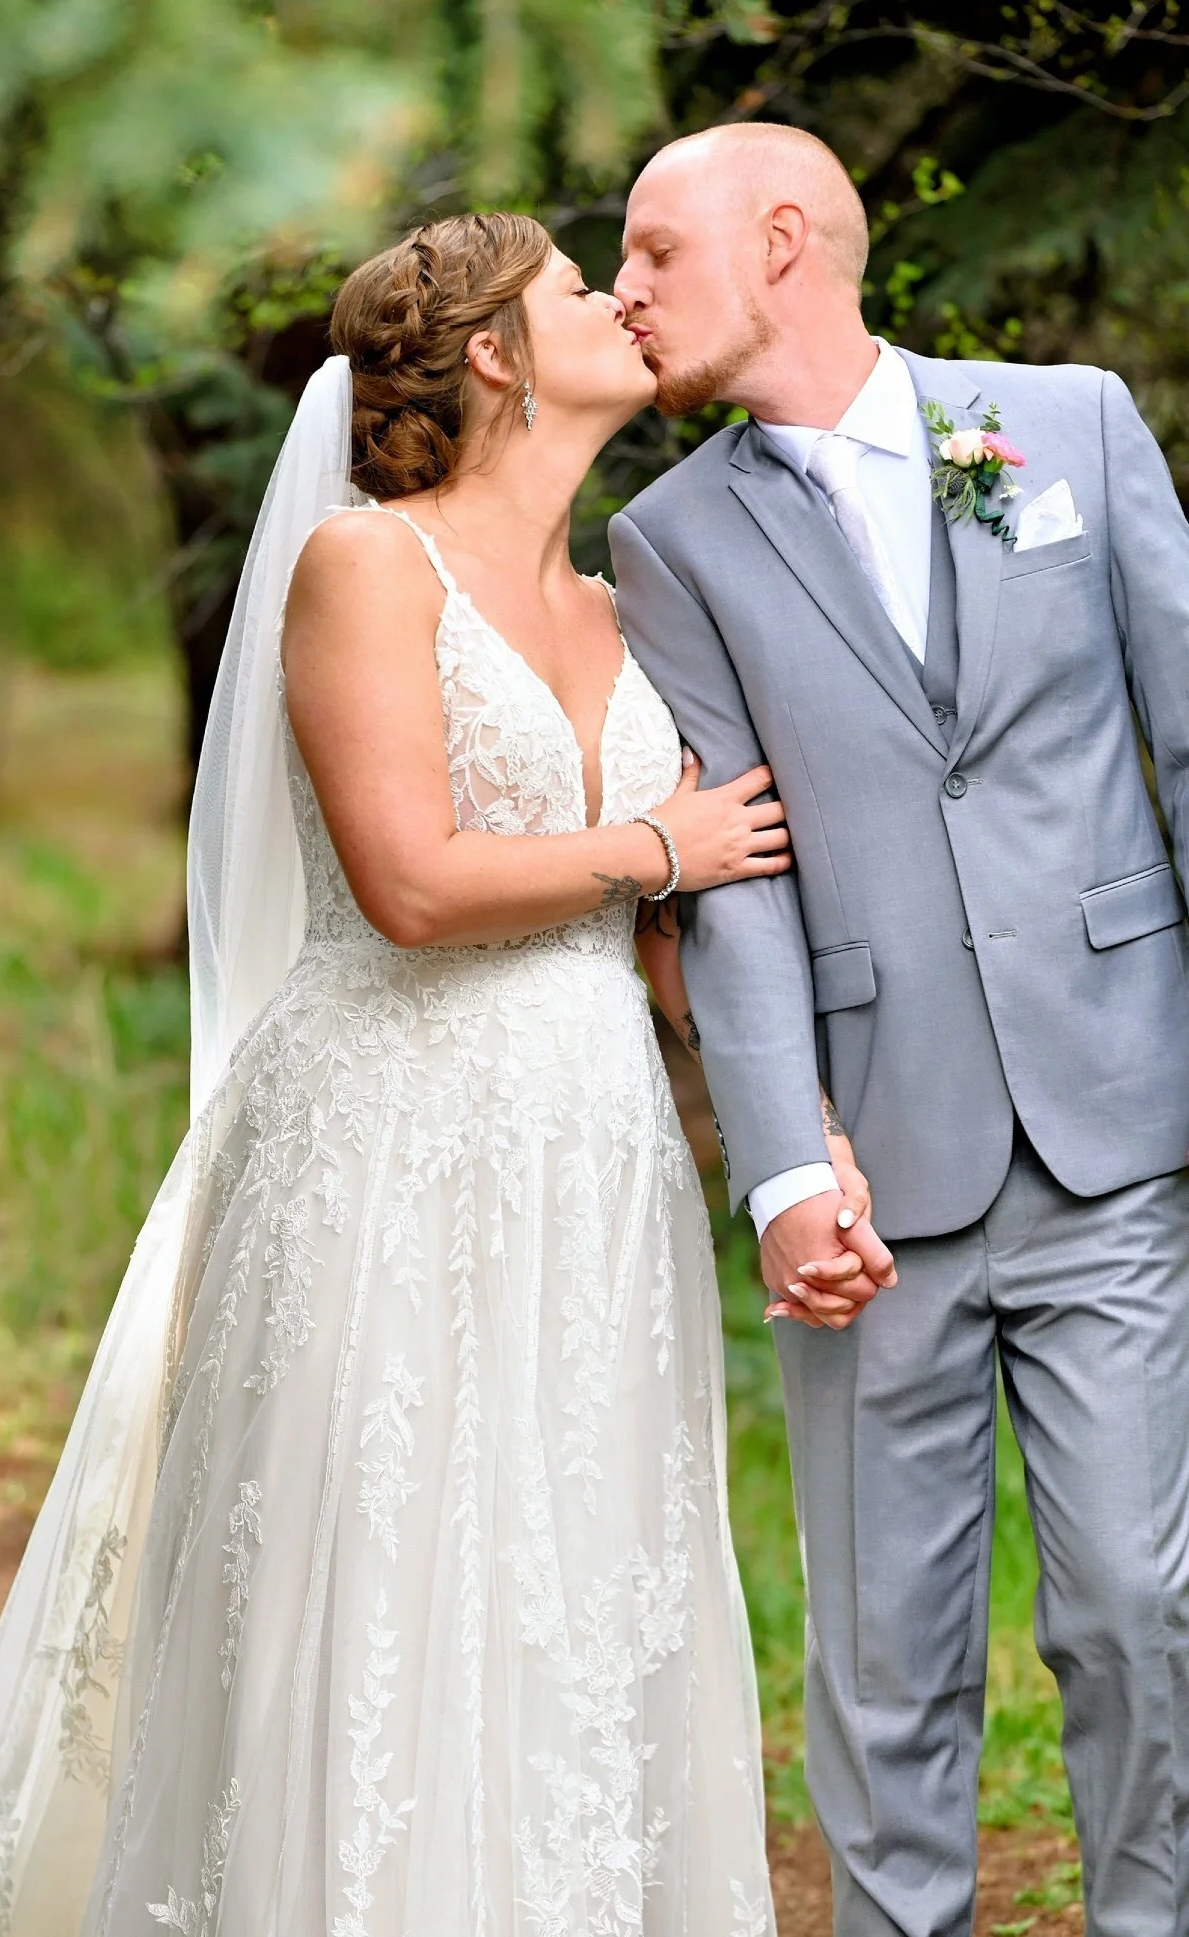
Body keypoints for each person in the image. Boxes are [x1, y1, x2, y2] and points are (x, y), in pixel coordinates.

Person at [0, 211, 876, 1937]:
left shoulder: (632, 602)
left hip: (590, 1148)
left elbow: (669, 946)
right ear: (490, 352)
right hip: (385, 1136)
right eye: (576, 287)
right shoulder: (367, 569)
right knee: (386, 1577)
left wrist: (802, 1139)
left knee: (568, 1571)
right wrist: (657, 842)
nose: (621, 303)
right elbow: (410, 886)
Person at [611, 121, 1189, 1937]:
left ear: (783, 241)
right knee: (884, 1664)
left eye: (650, 254)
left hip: (1116, 1121)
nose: (620, 293)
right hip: (873, 1166)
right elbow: (738, 877)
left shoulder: (1056, 424)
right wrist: (783, 1164)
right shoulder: (669, 537)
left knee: (1140, 1609)